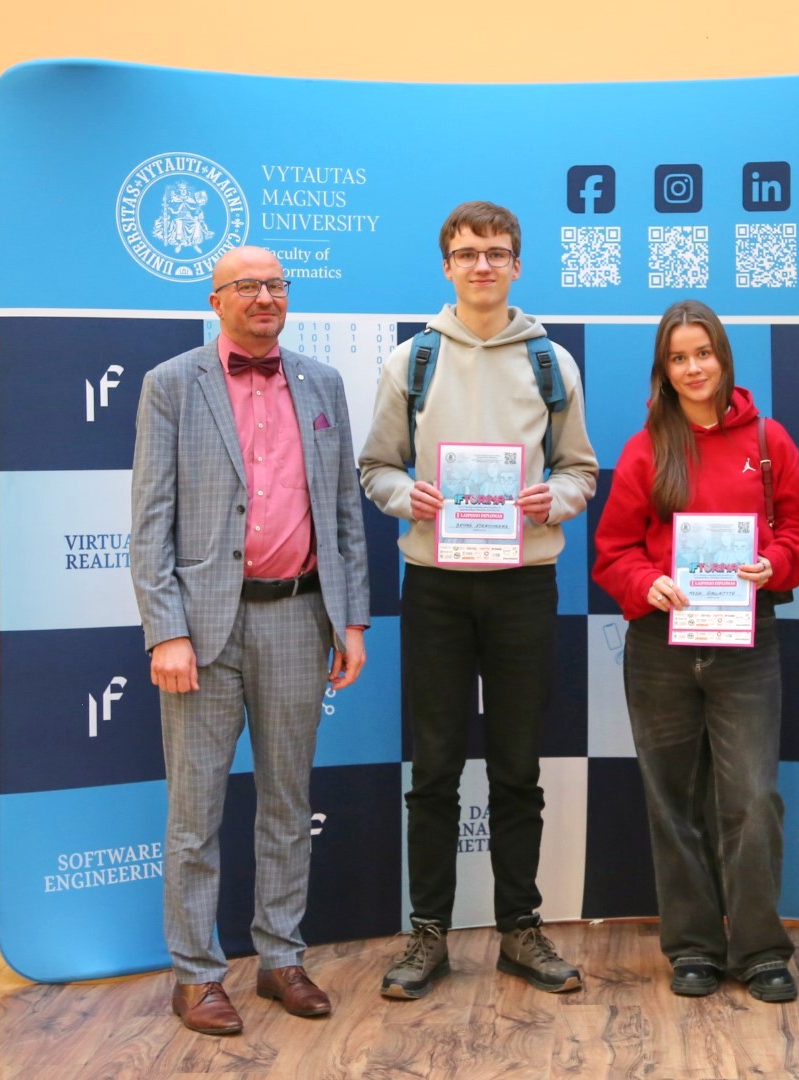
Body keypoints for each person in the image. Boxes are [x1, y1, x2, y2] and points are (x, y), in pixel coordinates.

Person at [359, 201, 598, 999]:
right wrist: (409, 498)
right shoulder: (413, 361)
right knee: (433, 766)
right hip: (434, 585)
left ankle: (520, 930)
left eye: (496, 252)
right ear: (447, 266)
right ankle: (428, 933)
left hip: (525, 585)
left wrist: (553, 500)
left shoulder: (551, 363)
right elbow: (375, 467)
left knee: (517, 766)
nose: (482, 265)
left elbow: (580, 470)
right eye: (467, 253)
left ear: (517, 265)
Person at [131, 246, 370, 1035]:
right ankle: (196, 975)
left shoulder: (322, 384)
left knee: (287, 802)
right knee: (195, 810)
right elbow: (150, 521)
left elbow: (343, 515)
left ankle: (280, 958)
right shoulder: (172, 383)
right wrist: (166, 631)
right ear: (216, 300)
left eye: (275, 285)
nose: (265, 297)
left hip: (299, 617)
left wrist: (351, 620)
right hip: (202, 631)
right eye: (247, 286)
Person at [592, 299, 799, 1002]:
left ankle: (759, 950)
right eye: (678, 358)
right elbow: (613, 551)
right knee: (672, 801)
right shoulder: (646, 447)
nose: (693, 368)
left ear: (723, 357)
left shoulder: (769, 440)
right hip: (660, 644)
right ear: (663, 370)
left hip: (746, 642)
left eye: (703, 353)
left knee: (752, 798)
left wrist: (774, 564)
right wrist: (647, 582)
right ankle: (692, 946)